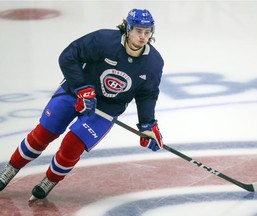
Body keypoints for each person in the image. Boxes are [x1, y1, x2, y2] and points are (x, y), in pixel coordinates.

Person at [0, 8, 164, 200]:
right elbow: (68, 56)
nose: (143, 36)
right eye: (138, 31)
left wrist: (147, 125)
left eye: (147, 31)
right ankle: (11, 169)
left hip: (106, 109)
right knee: (43, 135)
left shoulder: (154, 62)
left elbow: (147, 94)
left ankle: (50, 179)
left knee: (72, 146)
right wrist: (82, 88)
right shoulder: (103, 40)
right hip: (75, 93)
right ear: (127, 29)